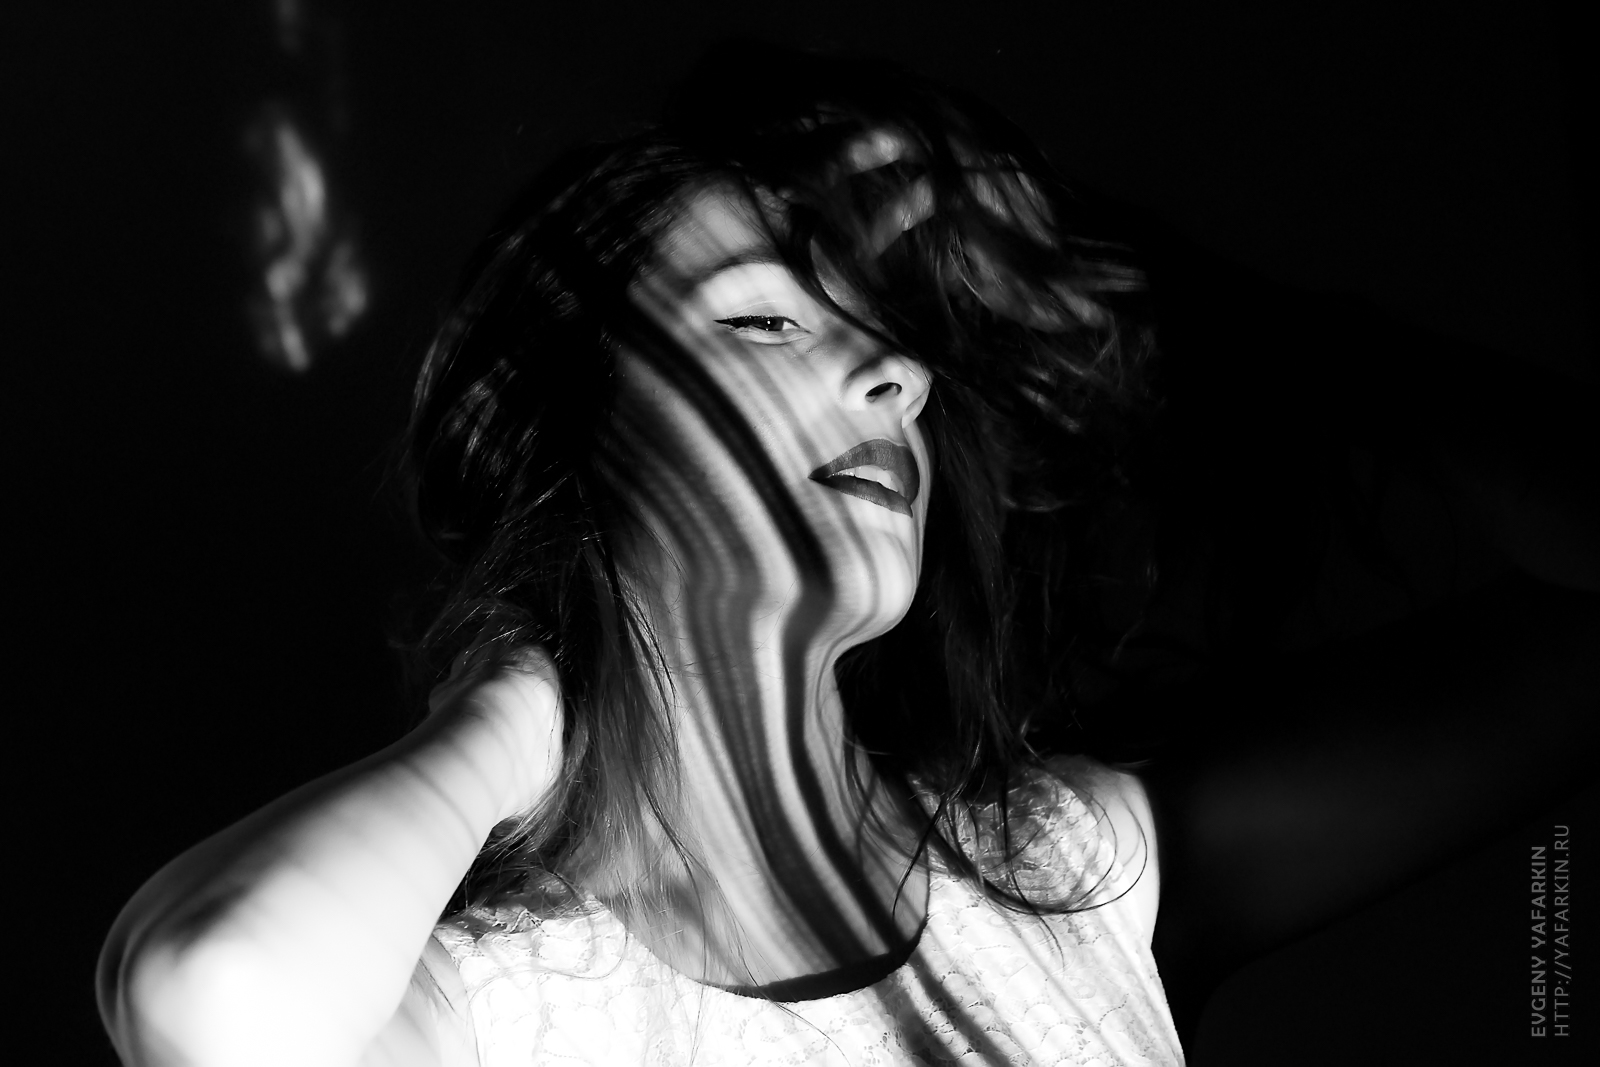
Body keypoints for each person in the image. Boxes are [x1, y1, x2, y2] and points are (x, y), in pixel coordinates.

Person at [96, 48, 1599, 1066]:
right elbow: (219, 1001)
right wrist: (518, 706)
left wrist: (1137, 279)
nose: (895, 378)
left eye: (900, 340)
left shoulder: (1076, 873)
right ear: (557, 431)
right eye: (765, 320)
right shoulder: (492, 1004)